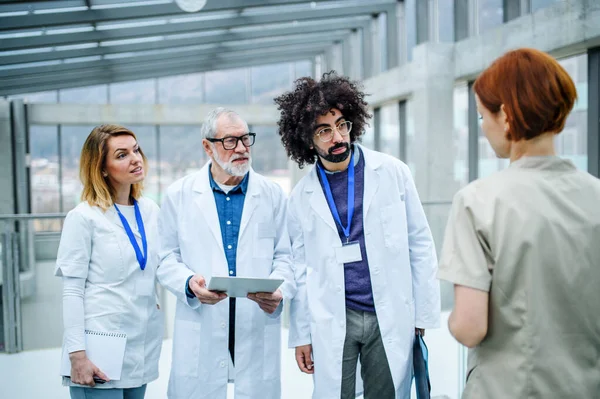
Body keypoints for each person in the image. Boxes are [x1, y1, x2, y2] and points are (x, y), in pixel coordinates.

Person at [437, 48, 600, 398]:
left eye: (483, 117)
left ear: (507, 115)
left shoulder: (478, 201)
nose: (483, 128)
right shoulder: (596, 195)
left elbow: (469, 328)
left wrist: (448, 320)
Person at [275, 72, 441, 398]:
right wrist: (301, 335)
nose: (337, 136)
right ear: (307, 140)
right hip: (335, 316)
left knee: (387, 394)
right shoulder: (300, 198)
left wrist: (421, 313)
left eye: (342, 125)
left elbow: (420, 243)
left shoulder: (392, 172)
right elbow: (300, 270)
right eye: (324, 130)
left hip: (388, 311)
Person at [157, 107, 295, 399]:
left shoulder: (271, 195)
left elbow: (286, 256)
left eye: (246, 139)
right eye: (230, 142)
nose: (242, 148)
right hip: (203, 323)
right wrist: (189, 284)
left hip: (254, 323)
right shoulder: (179, 195)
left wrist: (281, 290)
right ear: (207, 146)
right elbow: (165, 257)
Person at [55, 124, 163, 399]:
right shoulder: (83, 217)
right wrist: (77, 356)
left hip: (141, 344)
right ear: (101, 168)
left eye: (136, 150)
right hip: (99, 348)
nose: (135, 159)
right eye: (122, 154)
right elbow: (72, 291)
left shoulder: (151, 211)